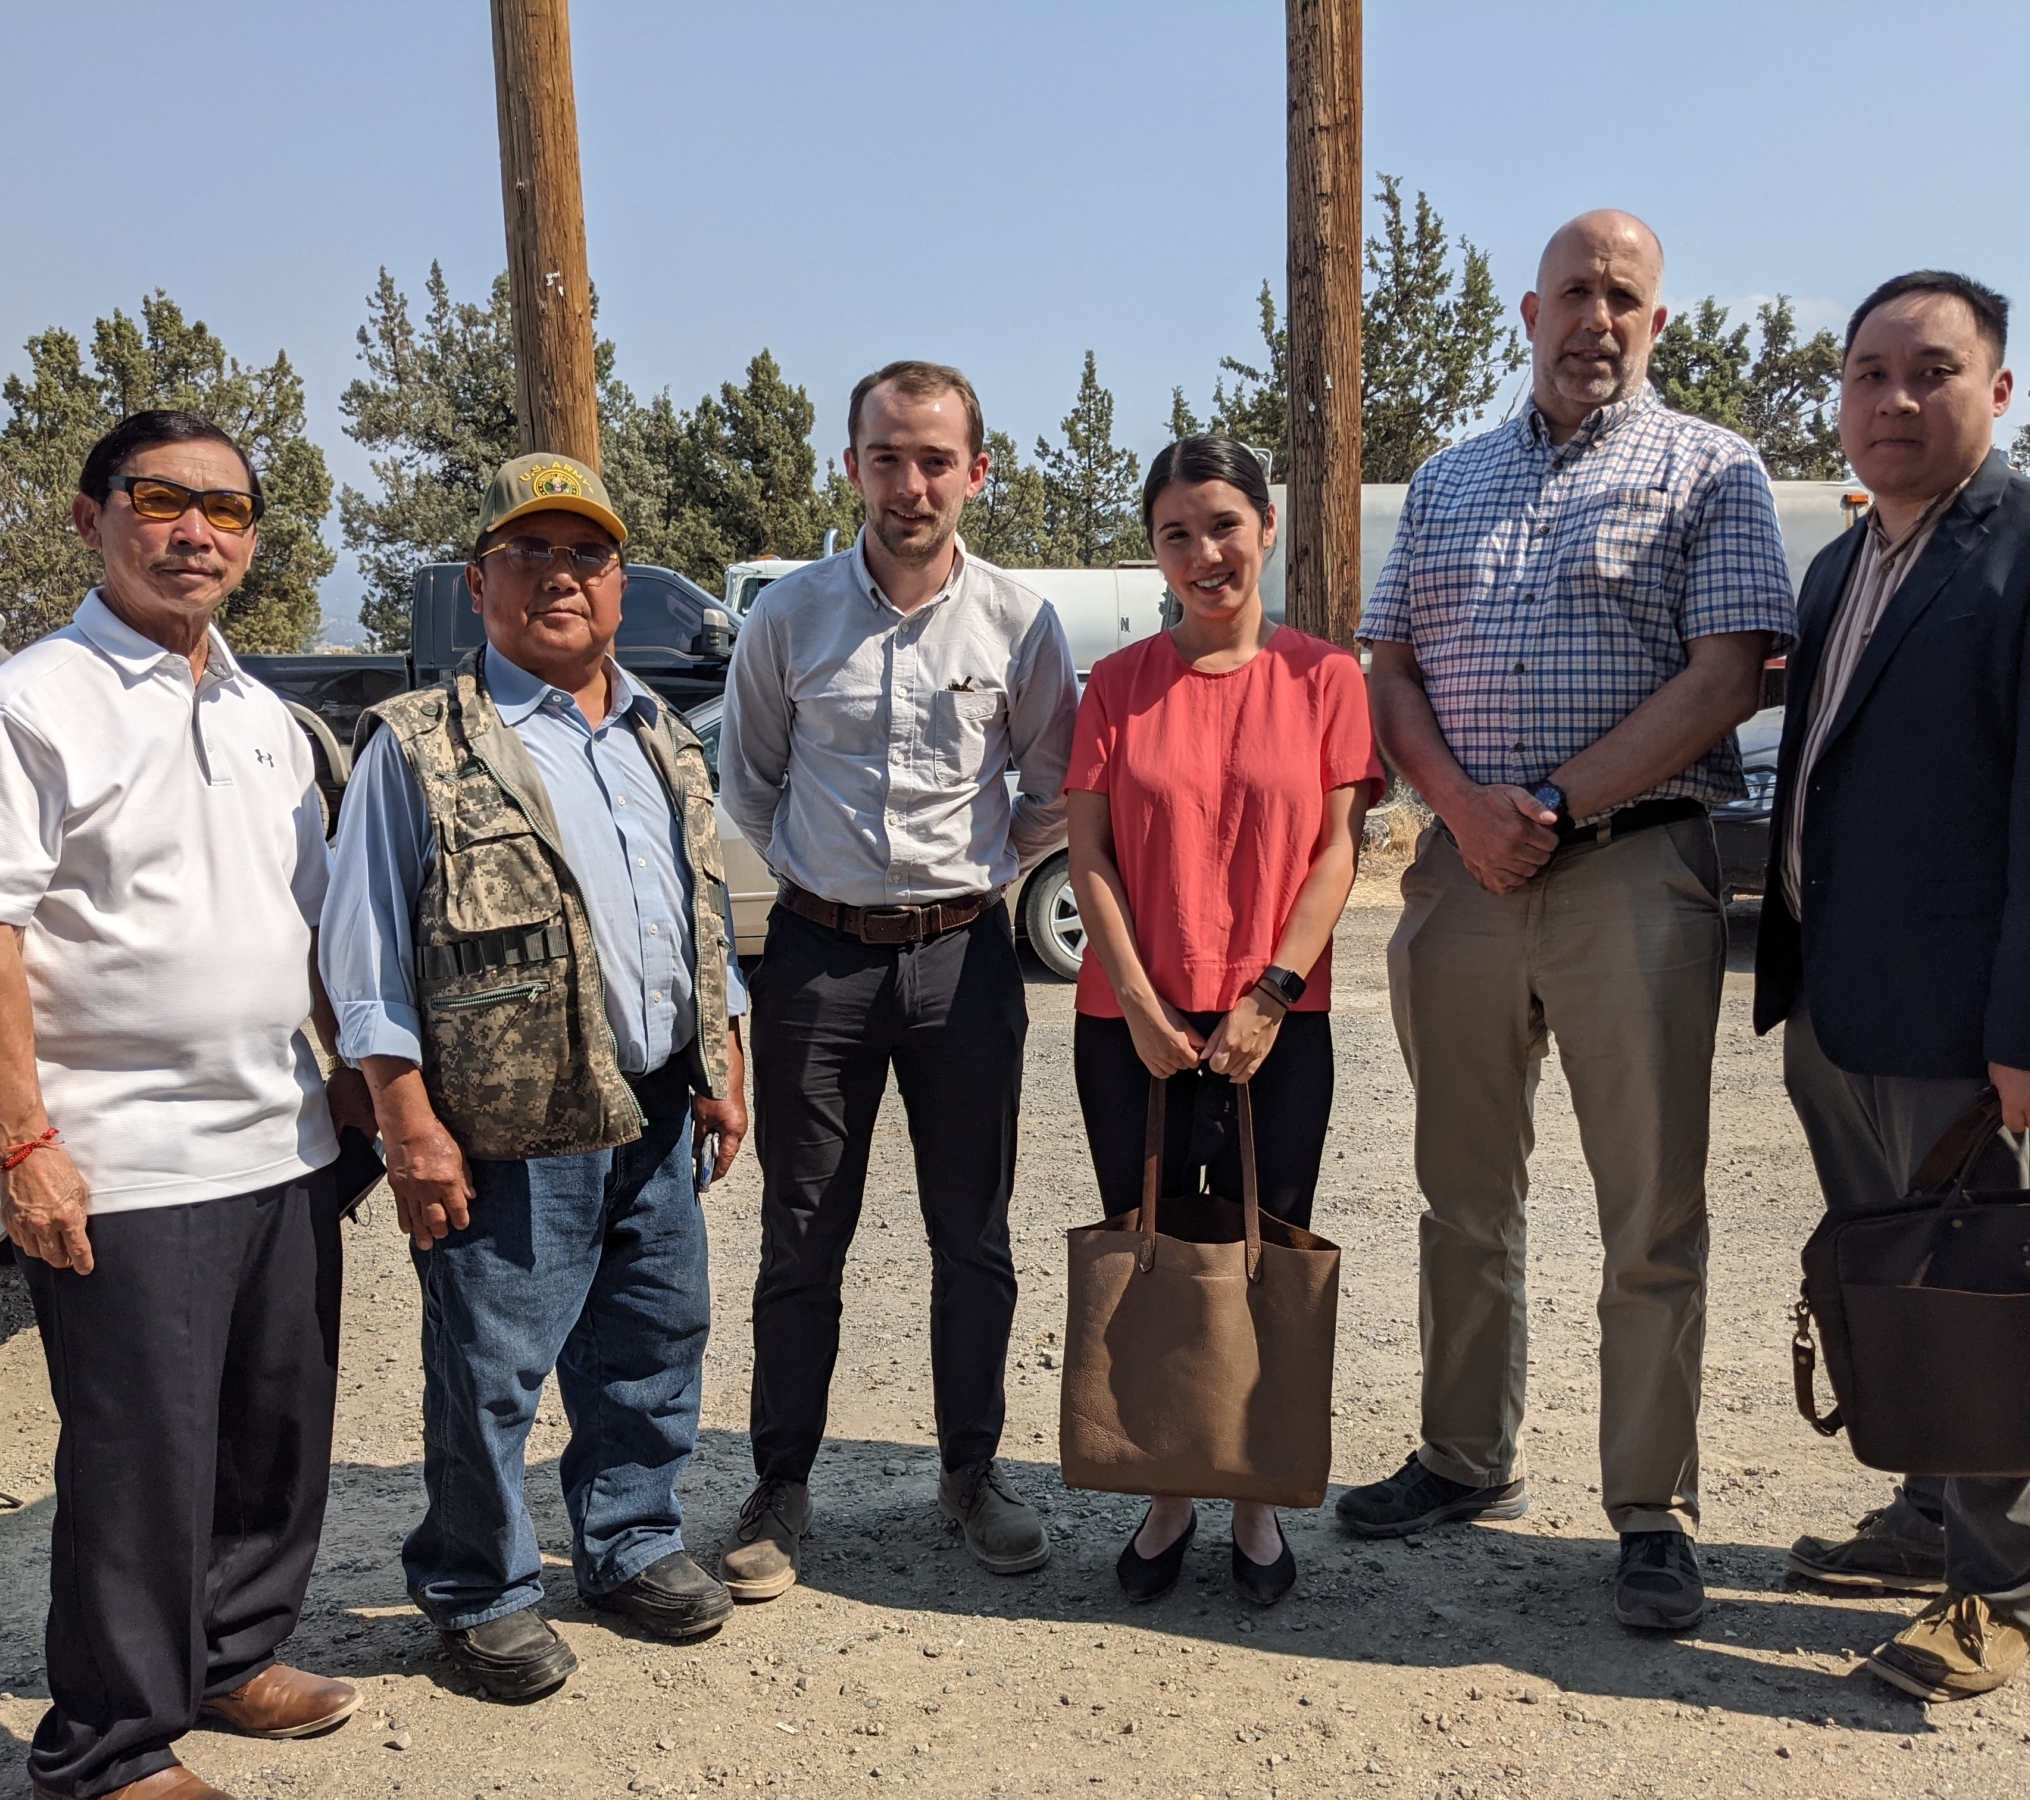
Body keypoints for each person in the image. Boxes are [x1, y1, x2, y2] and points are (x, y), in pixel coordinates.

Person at [1345, 210, 1798, 1632]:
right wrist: (1463, 812)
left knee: (1650, 1207)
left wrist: (1538, 799)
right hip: (1463, 877)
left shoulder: (1711, 469)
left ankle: (1650, 1507)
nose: (1597, 318)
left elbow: (1729, 677)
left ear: (1657, 324)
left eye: (1626, 297)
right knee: (1461, 1192)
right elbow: (1392, 670)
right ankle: (1464, 1455)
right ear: (1525, 316)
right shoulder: (1449, 480)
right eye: (1574, 294)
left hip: (1629, 874)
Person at [0, 410, 369, 1800]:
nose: (196, 532)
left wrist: (350, 1076)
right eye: (161, 500)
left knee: (271, 1432)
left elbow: (313, 917)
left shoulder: (259, 714)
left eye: (227, 512)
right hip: (123, 1161)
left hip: (278, 1137)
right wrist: (28, 1146)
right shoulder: (27, 707)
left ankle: (231, 1657)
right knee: (136, 1462)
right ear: (89, 517)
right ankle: (107, 1744)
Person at [1754, 272, 2030, 1701]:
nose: (1893, 400)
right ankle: (1929, 1512)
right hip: (1847, 1011)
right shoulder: (1844, 563)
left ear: (1998, 391)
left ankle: (2003, 1594)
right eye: (1868, 374)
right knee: (1903, 1287)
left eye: (1931, 372)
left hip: (1980, 1037)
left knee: (2002, 1299)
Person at [320, 453, 750, 1700]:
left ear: (620, 586)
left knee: (651, 1345)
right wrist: (406, 1119)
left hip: (657, 1104)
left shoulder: (660, 732)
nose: (562, 578)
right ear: (481, 582)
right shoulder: (418, 745)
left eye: (588, 556)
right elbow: (365, 958)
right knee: (489, 1372)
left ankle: (631, 1542)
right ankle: (479, 1589)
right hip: (503, 1125)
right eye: (532, 554)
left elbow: (695, 906)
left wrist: (722, 1049)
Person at [717, 360, 1078, 1596]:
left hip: (966, 960)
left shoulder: (1021, 625)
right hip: (818, 965)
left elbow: (1051, 787)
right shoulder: (790, 619)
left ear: (978, 471)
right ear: (853, 464)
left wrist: (969, 874)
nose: (911, 483)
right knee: (801, 1235)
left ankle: (972, 1473)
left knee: (970, 1232)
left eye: (936, 460)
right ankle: (779, 1486)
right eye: (888, 456)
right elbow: (751, 785)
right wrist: (826, 883)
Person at [1065, 436, 1381, 1608]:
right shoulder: (1117, 684)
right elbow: (1088, 856)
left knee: (1263, 1253)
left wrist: (1272, 996)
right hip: (1130, 1023)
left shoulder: (1324, 679)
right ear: (1154, 550)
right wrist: (1143, 1003)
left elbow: (1337, 850)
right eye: (1176, 534)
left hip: (1276, 1020)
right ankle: (1165, 1487)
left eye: (1224, 526)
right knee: (1156, 1250)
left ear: (1267, 530)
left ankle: (1253, 1492)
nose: (1204, 554)